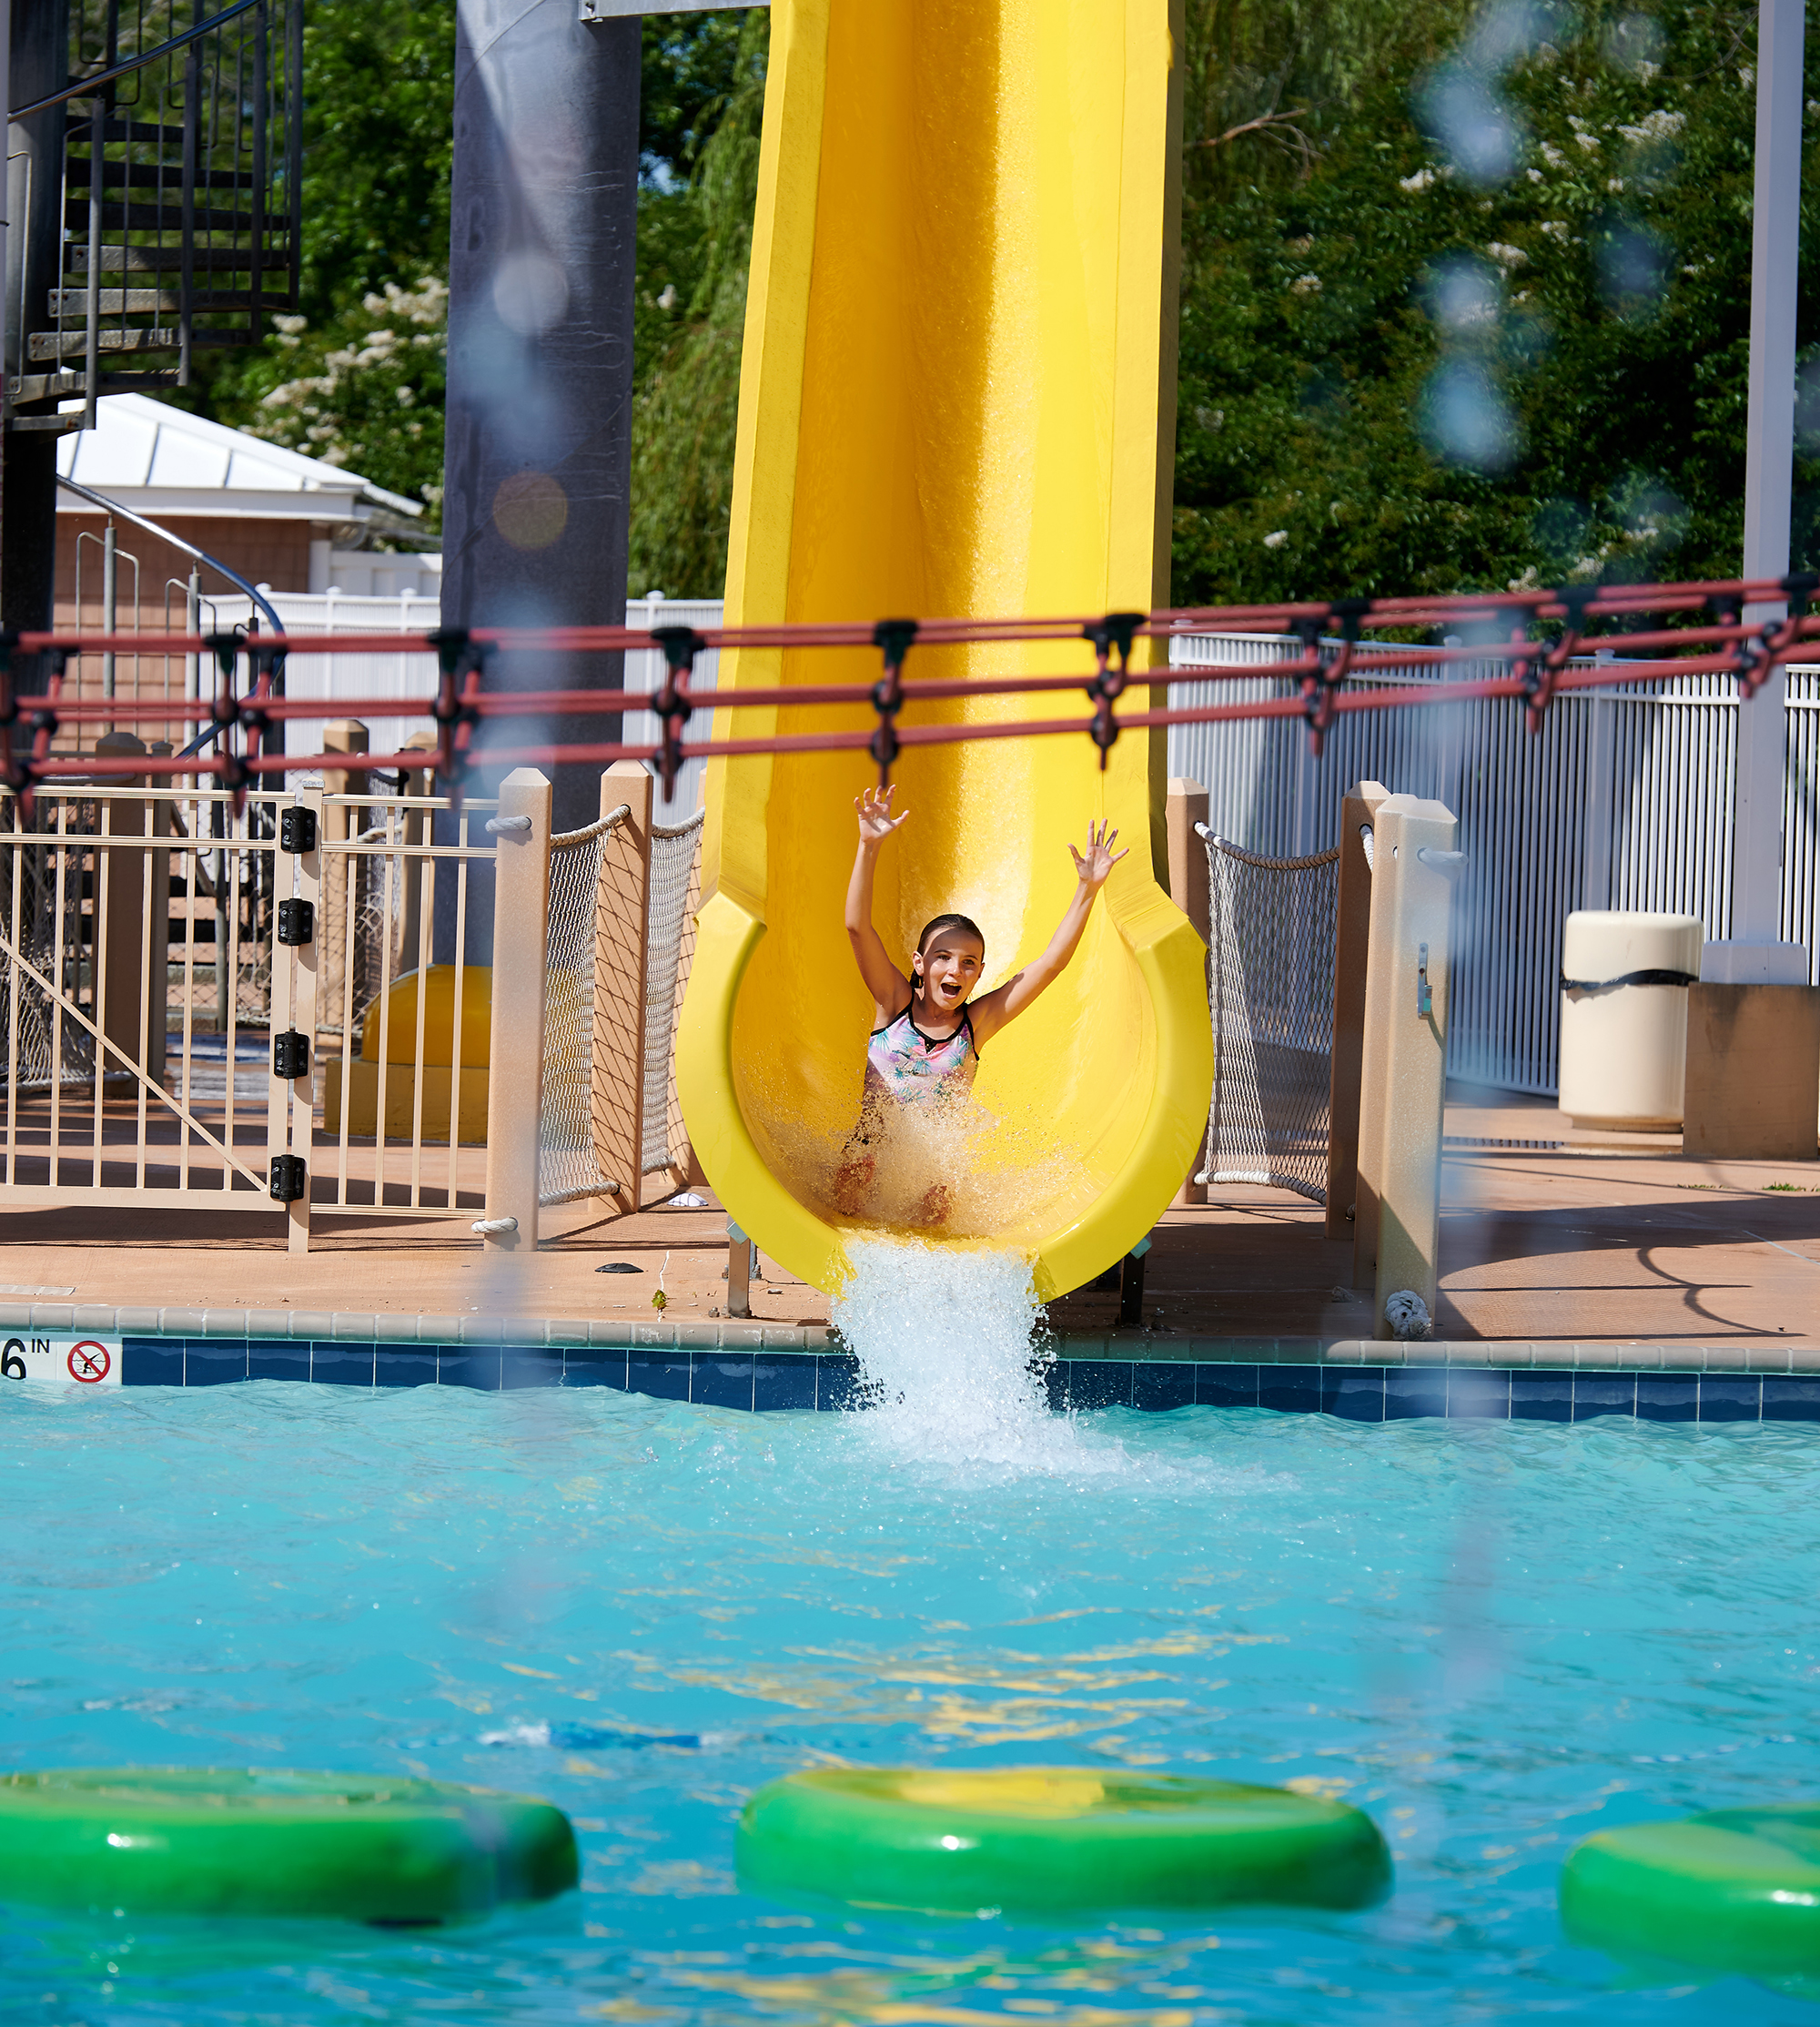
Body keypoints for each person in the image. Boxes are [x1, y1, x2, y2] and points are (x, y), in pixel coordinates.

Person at [835, 783, 1127, 1222]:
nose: (955, 970)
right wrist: (868, 846)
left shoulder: (977, 1023)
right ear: (919, 962)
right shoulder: (894, 1002)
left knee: (938, 1194)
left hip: (931, 1167)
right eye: (943, 957)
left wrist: (1087, 889)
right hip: (871, 1153)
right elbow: (858, 926)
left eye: (969, 962)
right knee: (861, 1161)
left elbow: (1049, 965)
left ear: (979, 972)